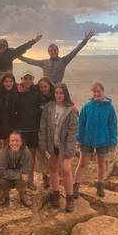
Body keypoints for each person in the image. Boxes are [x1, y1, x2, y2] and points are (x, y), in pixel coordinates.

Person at [73, 81, 118, 198]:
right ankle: (75, 186)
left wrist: (113, 142)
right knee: (82, 163)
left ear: (103, 92)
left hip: (103, 140)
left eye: (99, 91)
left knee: (101, 164)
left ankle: (100, 186)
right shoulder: (87, 107)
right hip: (87, 139)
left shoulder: (109, 108)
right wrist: (79, 139)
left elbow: (112, 125)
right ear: (92, 92)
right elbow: (81, 124)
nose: (97, 94)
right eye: (94, 91)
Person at [39, 83, 78, 213]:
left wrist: (69, 150)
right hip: (51, 144)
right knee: (53, 168)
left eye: (61, 93)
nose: (58, 95)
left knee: (66, 170)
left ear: (65, 94)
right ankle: (55, 194)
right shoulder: (49, 107)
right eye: (56, 93)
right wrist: (43, 144)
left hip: (64, 146)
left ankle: (69, 198)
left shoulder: (70, 110)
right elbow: (43, 126)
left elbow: (73, 132)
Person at [18, 31, 95, 83]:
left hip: (57, 90)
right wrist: (17, 55)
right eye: (51, 51)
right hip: (46, 90)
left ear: (58, 51)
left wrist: (85, 40)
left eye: (55, 50)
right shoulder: (44, 63)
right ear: (48, 52)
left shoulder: (63, 61)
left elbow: (74, 52)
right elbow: (30, 61)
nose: (53, 52)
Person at [16, 70, 41, 190]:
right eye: (25, 78)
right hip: (21, 129)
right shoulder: (17, 91)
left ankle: (29, 180)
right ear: (21, 80)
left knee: (31, 156)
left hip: (34, 129)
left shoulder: (36, 90)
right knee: (20, 156)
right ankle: (20, 180)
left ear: (33, 80)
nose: (27, 81)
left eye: (30, 78)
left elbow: (50, 90)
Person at [0, 131, 33, 207]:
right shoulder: (4, 152)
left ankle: (23, 195)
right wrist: (19, 174)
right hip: (10, 177)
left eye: (17, 141)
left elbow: (25, 171)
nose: (14, 143)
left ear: (21, 142)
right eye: (12, 141)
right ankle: (4, 195)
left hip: (18, 178)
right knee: (1, 181)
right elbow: (0, 170)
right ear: (9, 142)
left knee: (23, 180)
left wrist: (18, 175)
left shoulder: (26, 152)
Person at [0, 72, 19, 165]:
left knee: (6, 153)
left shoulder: (16, 94)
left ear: (14, 82)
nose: (8, 84)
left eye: (11, 81)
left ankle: (3, 176)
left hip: (9, 125)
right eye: (6, 81)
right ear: (2, 82)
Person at [37, 77, 55, 189]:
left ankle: (54, 175)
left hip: (53, 130)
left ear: (50, 86)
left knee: (53, 153)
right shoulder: (37, 98)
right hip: (40, 129)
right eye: (41, 87)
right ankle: (45, 176)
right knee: (42, 153)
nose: (43, 89)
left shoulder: (55, 97)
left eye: (45, 87)